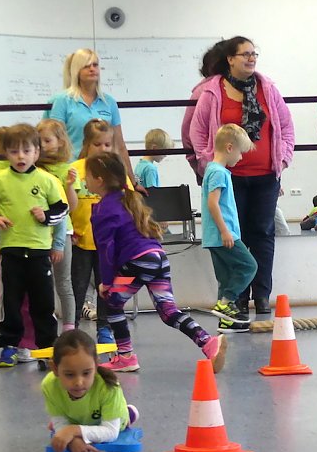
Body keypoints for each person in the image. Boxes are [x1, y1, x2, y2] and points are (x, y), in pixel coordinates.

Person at [87, 152, 227, 372]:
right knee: (168, 311)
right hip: (157, 258)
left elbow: (106, 250)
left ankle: (126, 357)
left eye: (87, 175)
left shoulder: (103, 209)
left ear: (99, 180)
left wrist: (106, 282)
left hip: (138, 261)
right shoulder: (128, 198)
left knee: (112, 303)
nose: (85, 180)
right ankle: (207, 342)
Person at [189, 36, 295, 316]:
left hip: (265, 175)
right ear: (230, 59)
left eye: (254, 53)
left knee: (262, 233)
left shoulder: (267, 88)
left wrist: (282, 159)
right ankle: (235, 296)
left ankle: (262, 295)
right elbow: (197, 133)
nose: (251, 58)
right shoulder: (211, 92)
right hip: (230, 176)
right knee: (235, 236)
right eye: (245, 54)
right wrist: (208, 164)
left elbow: (285, 125)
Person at [0, 123, 68, 366]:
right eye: (14, 152)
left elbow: (62, 209)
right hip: (11, 251)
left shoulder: (47, 180)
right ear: (7, 154)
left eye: (26, 151)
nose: (21, 157)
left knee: (43, 302)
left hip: (38, 252)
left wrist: (46, 216)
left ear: (37, 152)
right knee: (11, 302)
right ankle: (9, 346)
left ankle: (47, 348)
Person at [44, 48, 141, 189]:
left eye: (95, 65)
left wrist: (132, 181)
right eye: (86, 66)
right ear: (77, 70)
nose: (92, 69)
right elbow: (54, 140)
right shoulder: (62, 100)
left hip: (105, 171)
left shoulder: (109, 102)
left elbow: (119, 144)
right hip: (71, 172)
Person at [42, 330, 138, 452]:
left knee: (121, 422)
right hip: (79, 417)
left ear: (96, 364)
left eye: (86, 373)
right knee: (60, 423)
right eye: (69, 374)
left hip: (105, 420)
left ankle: (128, 413)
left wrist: (72, 430)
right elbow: (61, 424)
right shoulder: (49, 385)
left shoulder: (109, 386)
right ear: (54, 368)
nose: (79, 382)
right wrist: (73, 440)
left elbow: (111, 432)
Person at [201, 124, 258, 334]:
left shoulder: (210, 169)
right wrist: (225, 231)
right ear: (229, 148)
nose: (241, 158)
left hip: (213, 236)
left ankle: (225, 320)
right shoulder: (219, 173)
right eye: (240, 152)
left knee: (224, 278)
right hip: (223, 235)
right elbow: (213, 203)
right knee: (249, 266)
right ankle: (226, 302)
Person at [70, 119, 118, 344]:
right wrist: (68, 231)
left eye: (107, 144)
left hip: (108, 242)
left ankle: (105, 328)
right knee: (77, 287)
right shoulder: (75, 169)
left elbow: (126, 202)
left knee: (106, 287)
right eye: (98, 144)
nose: (103, 149)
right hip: (81, 240)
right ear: (88, 144)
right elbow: (65, 203)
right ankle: (73, 328)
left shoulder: (115, 169)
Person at [37, 118, 79, 332]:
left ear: (60, 142)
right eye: (39, 141)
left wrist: (70, 186)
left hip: (63, 231)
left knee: (63, 282)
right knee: (42, 284)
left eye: (47, 140)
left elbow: (71, 206)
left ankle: (69, 327)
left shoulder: (67, 169)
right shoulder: (33, 169)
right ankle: (46, 325)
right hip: (37, 232)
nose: (42, 145)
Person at [183, 41, 226, 183]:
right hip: (215, 166)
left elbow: (187, 134)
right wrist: (202, 165)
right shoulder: (204, 91)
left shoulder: (250, 88)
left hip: (215, 165)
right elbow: (190, 132)